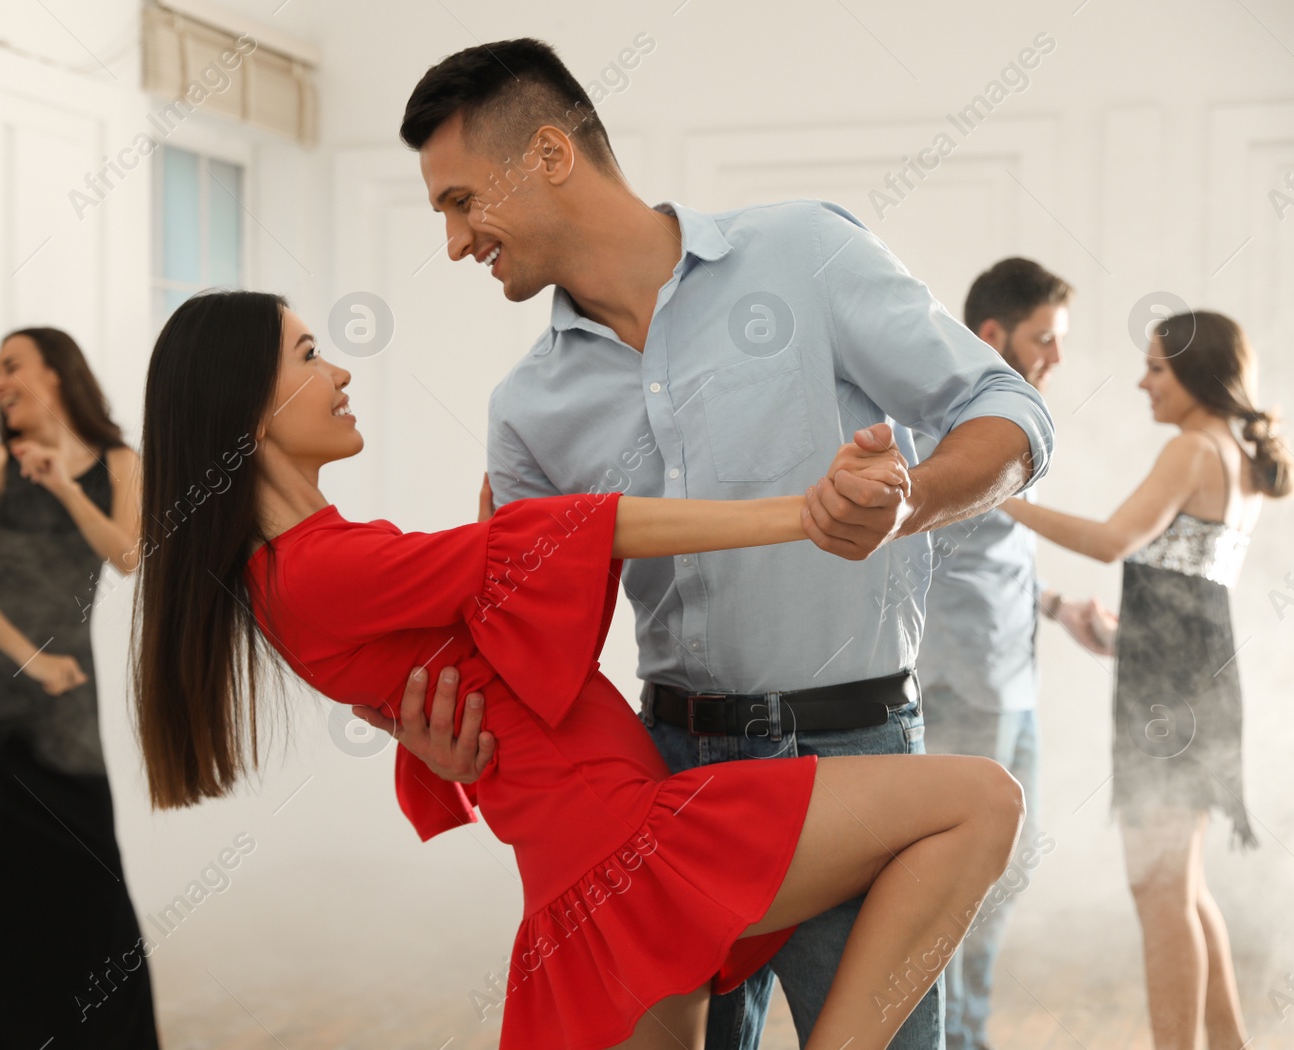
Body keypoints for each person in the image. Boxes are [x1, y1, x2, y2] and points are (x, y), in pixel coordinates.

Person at [381, 37, 1055, 1050]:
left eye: (461, 200)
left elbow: (1008, 411)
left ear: (550, 155)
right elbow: (522, 648)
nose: (454, 242)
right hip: (665, 780)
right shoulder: (527, 410)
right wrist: (450, 733)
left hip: (856, 759)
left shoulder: (803, 253)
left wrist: (909, 500)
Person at [131, 290, 1025, 1050]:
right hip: (618, 852)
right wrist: (809, 516)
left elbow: (484, 667)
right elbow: (583, 532)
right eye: (309, 354)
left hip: (600, 861)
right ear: (247, 405)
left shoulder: (314, 566)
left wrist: (485, 598)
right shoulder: (320, 568)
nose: (340, 372)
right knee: (983, 801)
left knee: (979, 804)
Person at [999, 310, 1294, 1050]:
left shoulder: (1194, 449)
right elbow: (1193, 598)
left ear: (1199, 373)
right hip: (1189, 682)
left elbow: (1109, 542)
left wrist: (999, 497)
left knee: (1158, 888)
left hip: (1171, 698)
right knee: (1181, 886)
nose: (1142, 381)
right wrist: (1118, 635)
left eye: (1157, 367)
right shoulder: (1229, 451)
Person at [0, 327, 157, 1048]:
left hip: (65, 722)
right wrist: (33, 660)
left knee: (91, 902)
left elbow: (129, 555)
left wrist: (59, 483)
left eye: (12, 367)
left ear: (57, 373)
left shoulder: (121, 463)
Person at [914, 257, 1115, 1050]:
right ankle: (954, 1040)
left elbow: (992, 558)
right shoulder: (952, 429)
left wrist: (1061, 607)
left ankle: (968, 1030)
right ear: (992, 335)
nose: (1057, 357)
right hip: (962, 687)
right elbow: (919, 558)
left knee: (1006, 874)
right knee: (964, 881)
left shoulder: (1013, 420)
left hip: (1013, 684)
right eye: (1045, 339)